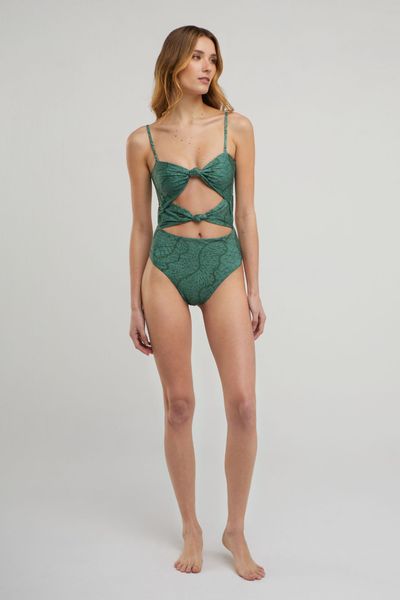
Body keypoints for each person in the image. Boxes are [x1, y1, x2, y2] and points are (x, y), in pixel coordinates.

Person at [126, 25, 267, 581]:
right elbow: (141, 226)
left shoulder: (237, 127)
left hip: (223, 265)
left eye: (213, 59)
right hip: (166, 267)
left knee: (244, 405)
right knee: (179, 405)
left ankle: (235, 529)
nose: (208, 67)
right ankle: (191, 526)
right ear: (174, 63)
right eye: (198, 57)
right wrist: (133, 302)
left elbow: (246, 213)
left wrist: (254, 287)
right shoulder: (143, 140)